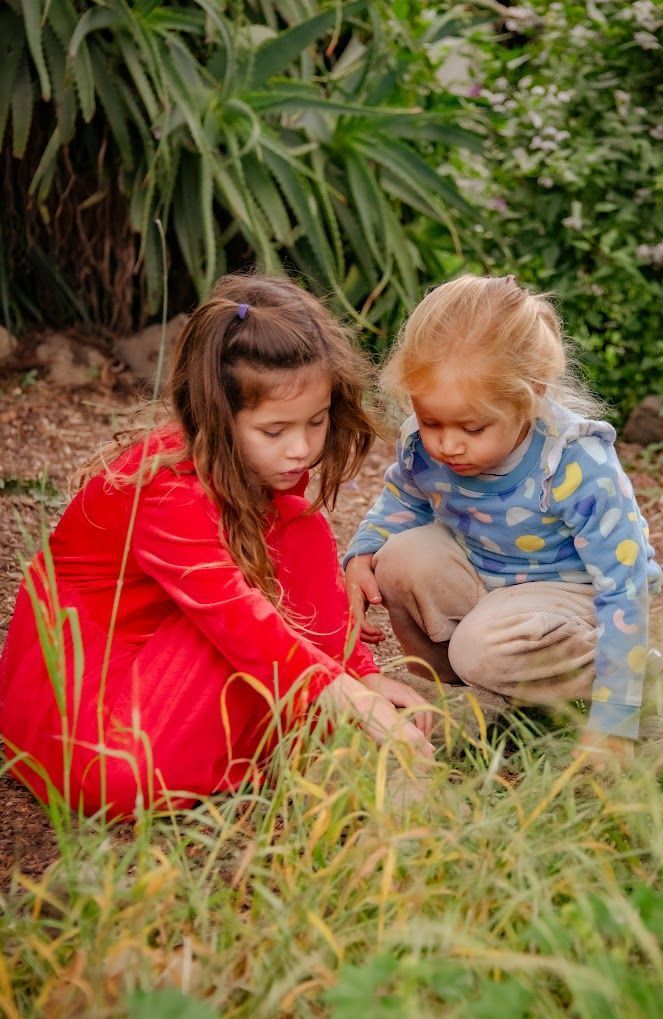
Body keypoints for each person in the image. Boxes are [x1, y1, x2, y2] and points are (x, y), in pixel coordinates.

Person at [0, 275, 433, 819]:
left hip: (161, 654)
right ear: (217, 418)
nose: (301, 449)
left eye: (316, 422)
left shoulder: (264, 483)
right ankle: (304, 726)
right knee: (120, 773)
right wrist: (337, 690)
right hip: (87, 700)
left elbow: (302, 578)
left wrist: (362, 673)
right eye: (274, 431)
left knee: (299, 527)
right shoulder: (165, 489)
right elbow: (233, 617)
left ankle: (317, 712)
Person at [343, 274, 663, 765]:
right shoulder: (427, 447)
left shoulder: (574, 463)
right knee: (401, 558)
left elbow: (625, 583)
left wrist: (615, 718)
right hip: (488, 589)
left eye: (472, 427)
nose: (447, 444)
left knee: (479, 645)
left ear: (530, 396)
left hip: (568, 602)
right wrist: (364, 551)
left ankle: (648, 684)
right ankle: (464, 699)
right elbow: (404, 497)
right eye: (431, 423)